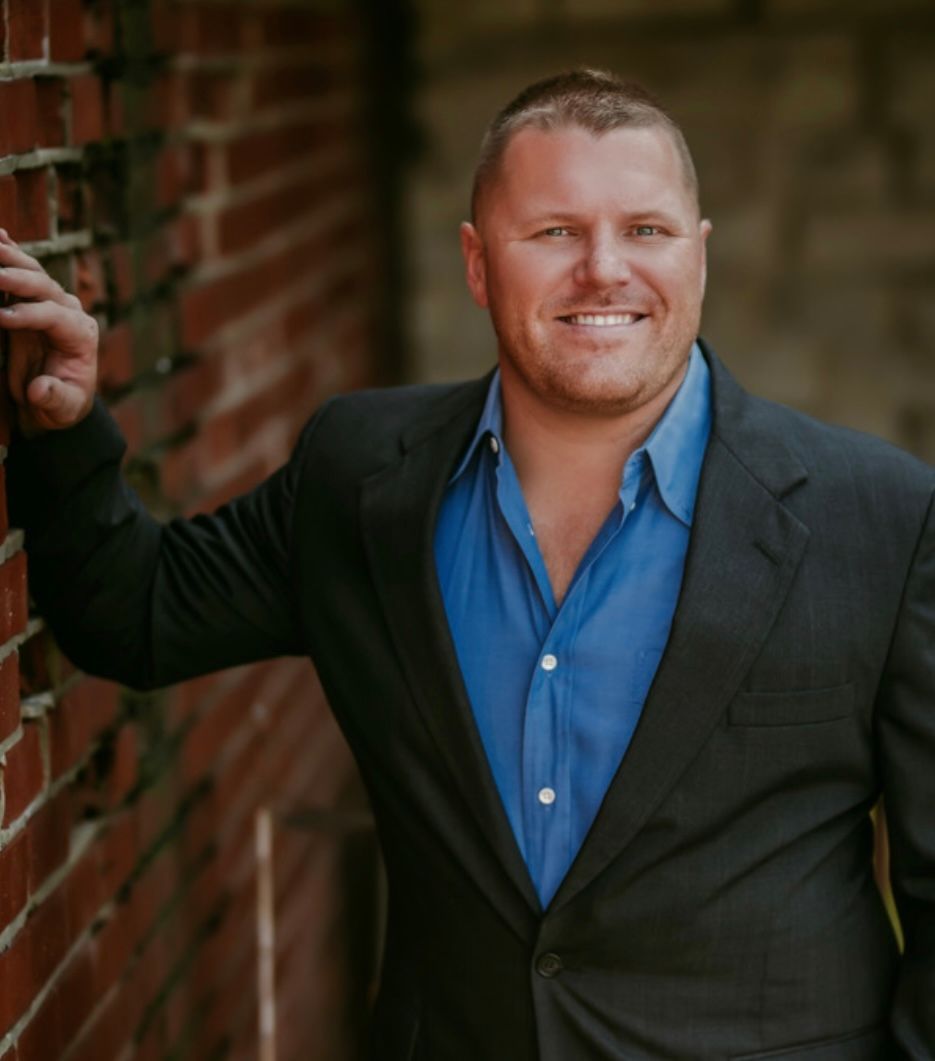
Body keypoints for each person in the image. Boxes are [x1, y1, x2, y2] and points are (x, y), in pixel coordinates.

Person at [4, 69, 933, 1060]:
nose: (603, 269)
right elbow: (135, 611)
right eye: (553, 232)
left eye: (646, 230)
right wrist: (62, 424)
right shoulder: (362, 478)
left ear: (698, 257)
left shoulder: (873, 517)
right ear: (477, 263)